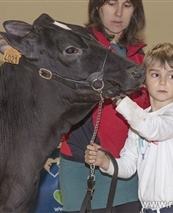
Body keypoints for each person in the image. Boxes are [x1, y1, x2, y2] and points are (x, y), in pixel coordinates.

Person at [85, 43, 173, 213]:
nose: (162, 82)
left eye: (171, 76)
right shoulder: (140, 122)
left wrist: (119, 99)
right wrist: (104, 161)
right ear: (144, 80)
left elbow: (154, 129)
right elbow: (127, 166)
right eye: (155, 75)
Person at [59, 0, 149, 212]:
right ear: (97, 7)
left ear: (135, 11)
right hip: (85, 164)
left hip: (128, 168)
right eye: (111, 3)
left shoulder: (140, 56)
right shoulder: (80, 47)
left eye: (127, 5)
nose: (118, 12)